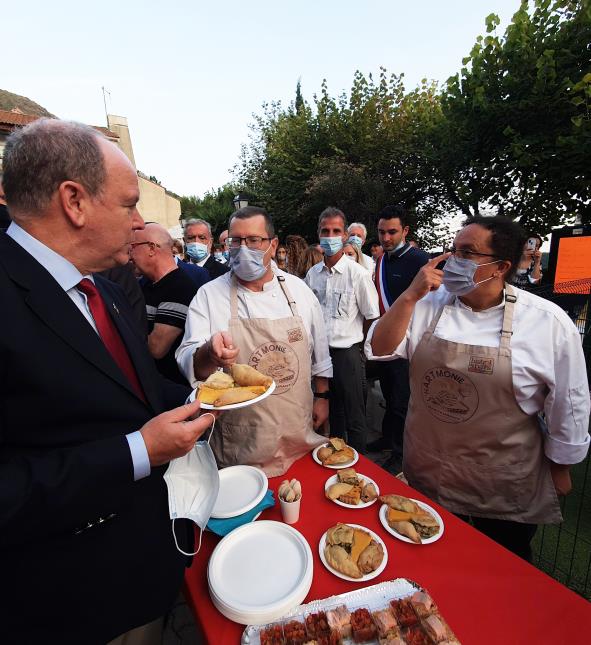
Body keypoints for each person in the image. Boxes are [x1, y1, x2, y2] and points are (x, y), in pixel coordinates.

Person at [0, 119, 216, 644]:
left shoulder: (106, 290)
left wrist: (203, 390)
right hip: (66, 604)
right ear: (74, 201)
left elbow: (134, 393)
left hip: (141, 570)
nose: (141, 223)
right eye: (128, 204)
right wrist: (138, 451)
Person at [367, 215, 590, 561]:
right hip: (430, 470)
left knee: (501, 567)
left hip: (501, 481)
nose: (453, 260)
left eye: (467, 252)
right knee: (431, 560)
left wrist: (561, 465)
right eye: (453, 250)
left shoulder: (547, 322)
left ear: (500, 266)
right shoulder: (428, 305)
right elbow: (380, 348)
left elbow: (570, 401)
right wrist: (410, 296)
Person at [176, 206, 332, 476]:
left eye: (253, 240)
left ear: (272, 245)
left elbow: (319, 354)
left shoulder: (299, 291)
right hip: (242, 445)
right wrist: (209, 353)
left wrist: (322, 396)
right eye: (235, 241)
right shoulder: (209, 296)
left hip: (297, 433)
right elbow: (191, 364)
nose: (242, 248)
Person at [305, 207, 380, 452]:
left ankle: (361, 469)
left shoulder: (357, 274)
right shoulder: (313, 274)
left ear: (345, 235)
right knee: (331, 410)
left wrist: (359, 348)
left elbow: (371, 316)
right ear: (318, 233)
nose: (330, 236)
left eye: (336, 231)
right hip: (320, 355)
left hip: (347, 353)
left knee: (355, 414)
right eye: (325, 231)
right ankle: (336, 459)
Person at [368, 205, 430, 468]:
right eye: (381, 232)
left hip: (407, 343)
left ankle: (401, 454)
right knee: (390, 395)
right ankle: (387, 438)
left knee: (402, 401)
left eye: (392, 232)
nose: (386, 238)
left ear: (405, 230)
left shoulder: (419, 260)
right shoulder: (382, 259)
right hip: (385, 339)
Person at [131, 223, 202, 385]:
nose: (129, 254)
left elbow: (156, 349)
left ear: (151, 248)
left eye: (133, 246)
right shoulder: (146, 284)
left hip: (171, 389)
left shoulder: (179, 288)